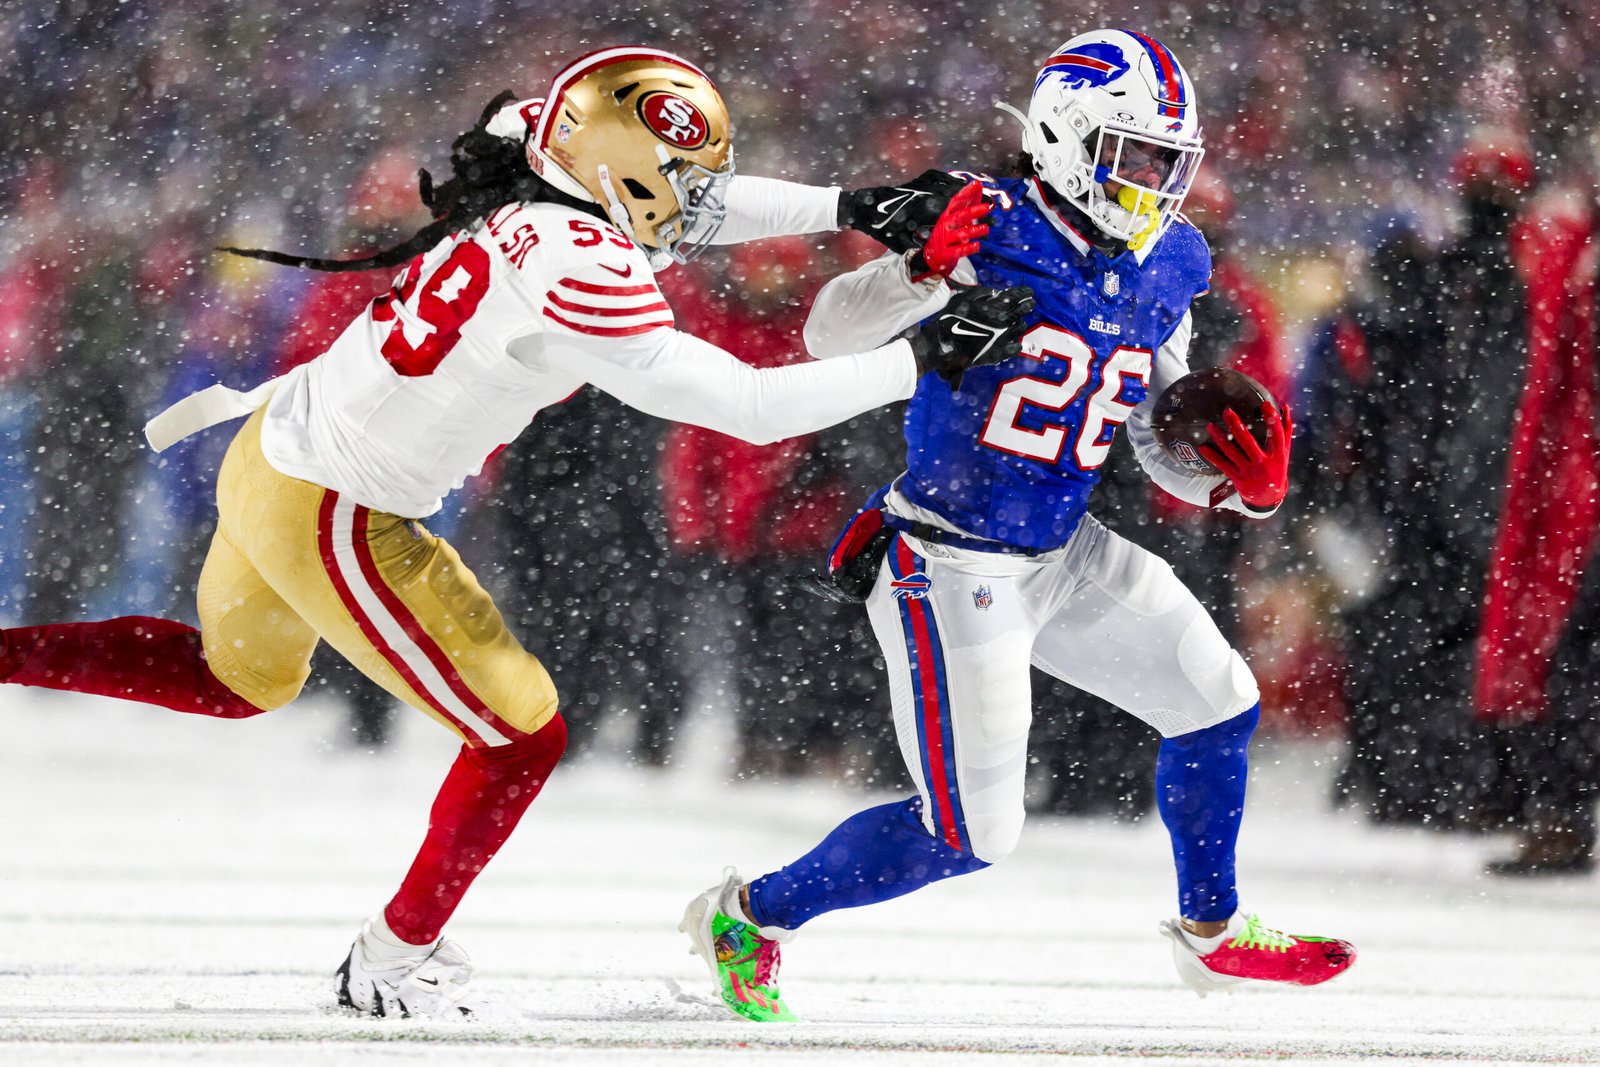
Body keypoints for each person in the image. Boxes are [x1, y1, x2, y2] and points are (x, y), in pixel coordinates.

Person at [0, 46, 1033, 1019]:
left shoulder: (539, 150)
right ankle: (391, 958)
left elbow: (686, 202)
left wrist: (853, 208)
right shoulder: (579, 262)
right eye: (677, 174)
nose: (693, 196)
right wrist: (923, 354)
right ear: (618, 168)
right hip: (341, 509)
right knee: (520, 731)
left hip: (280, 444)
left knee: (238, 681)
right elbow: (749, 405)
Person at [682, 29, 1355, 1023]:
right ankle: (749, 914)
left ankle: (1212, 934)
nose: (1148, 183)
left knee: (1216, 698)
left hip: (1062, 544)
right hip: (944, 554)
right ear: (1062, 133)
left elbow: (1150, 428)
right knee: (970, 832)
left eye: (1165, 163)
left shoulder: (1169, 256)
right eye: (1130, 155)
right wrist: (918, 273)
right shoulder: (986, 213)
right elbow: (828, 327)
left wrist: (1235, 485)